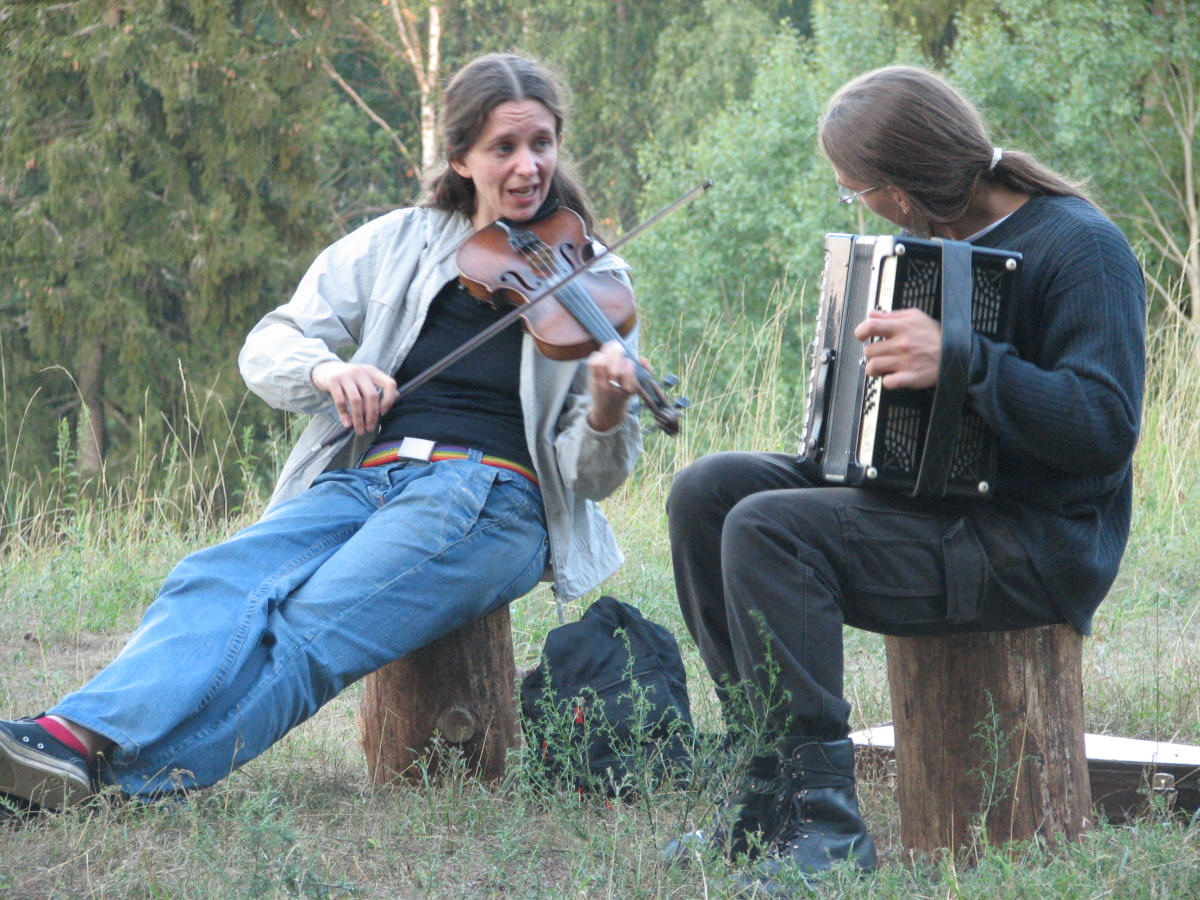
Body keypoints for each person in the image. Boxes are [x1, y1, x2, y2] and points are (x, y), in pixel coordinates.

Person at [0, 52, 645, 811]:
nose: (528, 166)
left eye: (541, 143)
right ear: (461, 158)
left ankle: (120, 785)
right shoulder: (402, 240)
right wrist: (327, 372)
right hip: (365, 479)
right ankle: (69, 737)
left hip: (489, 496)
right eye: (504, 147)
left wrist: (607, 411)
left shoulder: (595, 281)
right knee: (216, 578)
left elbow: (594, 478)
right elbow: (270, 343)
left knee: (311, 626)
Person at [664, 65, 1145, 888]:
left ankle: (827, 830)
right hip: (931, 499)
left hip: (1034, 543)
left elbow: (1103, 429)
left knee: (767, 528)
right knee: (707, 493)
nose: (858, 207)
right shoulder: (934, 245)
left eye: (855, 191)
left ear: (899, 188)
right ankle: (769, 791)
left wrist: (961, 359)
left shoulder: (1082, 248)